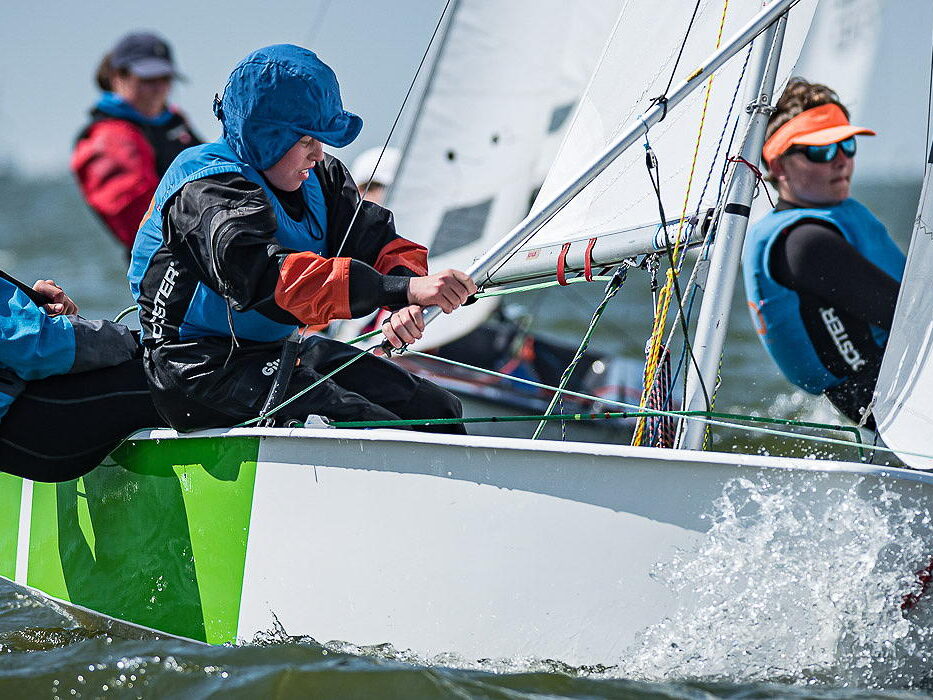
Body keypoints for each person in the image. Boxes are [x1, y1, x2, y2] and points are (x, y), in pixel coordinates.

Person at [128, 44, 476, 433]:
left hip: (278, 353)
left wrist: (403, 297)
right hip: (198, 368)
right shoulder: (205, 188)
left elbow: (381, 243)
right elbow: (272, 280)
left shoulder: (321, 178)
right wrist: (401, 289)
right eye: (307, 140)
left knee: (436, 409)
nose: (318, 154)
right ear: (266, 137)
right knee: (374, 428)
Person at [742, 78, 906, 430]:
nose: (841, 160)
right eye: (821, 151)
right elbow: (905, 317)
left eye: (847, 145)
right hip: (886, 397)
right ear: (779, 165)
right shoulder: (802, 243)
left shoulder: (833, 218)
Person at [0, 271, 162, 482]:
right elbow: (36, 345)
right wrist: (133, 342)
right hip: (33, 433)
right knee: (169, 378)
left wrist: (24, 309)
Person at [71, 31, 202, 253]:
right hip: (169, 262)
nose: (159, 88)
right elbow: (141, 224)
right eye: (148, 79)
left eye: (165, 78)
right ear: (117, 77)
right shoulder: (109, 137)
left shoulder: (173, 121)